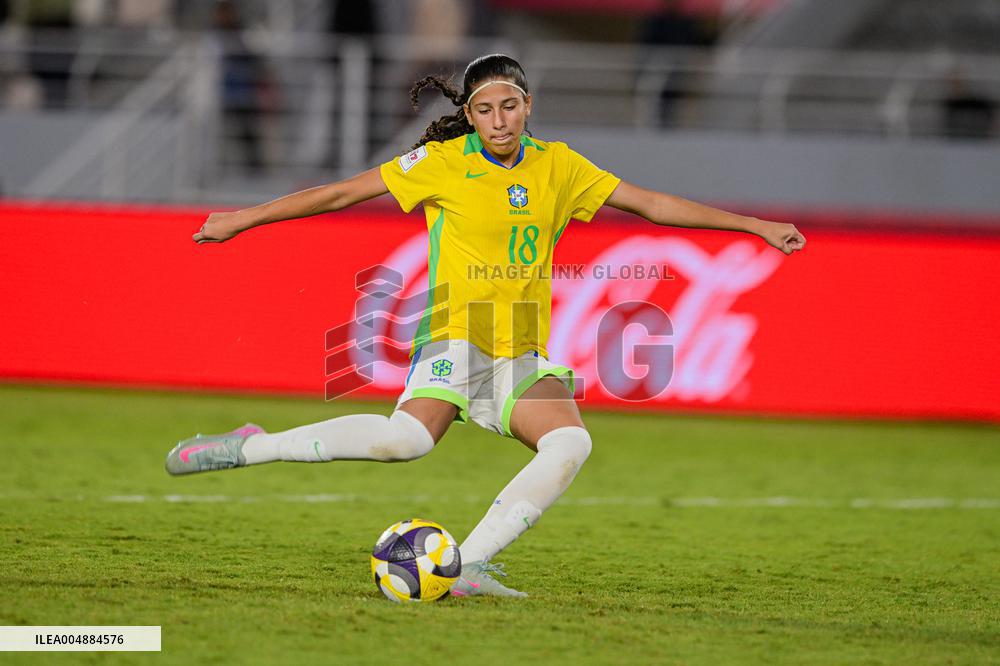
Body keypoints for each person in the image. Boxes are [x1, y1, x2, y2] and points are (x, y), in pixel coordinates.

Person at [165, 54, 805, 598]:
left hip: (520, 346)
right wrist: (241, 218)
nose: (498, 121)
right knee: (407, 443)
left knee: (571, 444)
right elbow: (339, 194)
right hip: (456, 331)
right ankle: (251, 445)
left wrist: (752, 226)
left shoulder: (558, 165)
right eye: (484, 110)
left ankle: (465, 567)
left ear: (528, 105)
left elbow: (655, 205)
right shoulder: (442, 163)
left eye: (509, 106)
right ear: (469, 116)